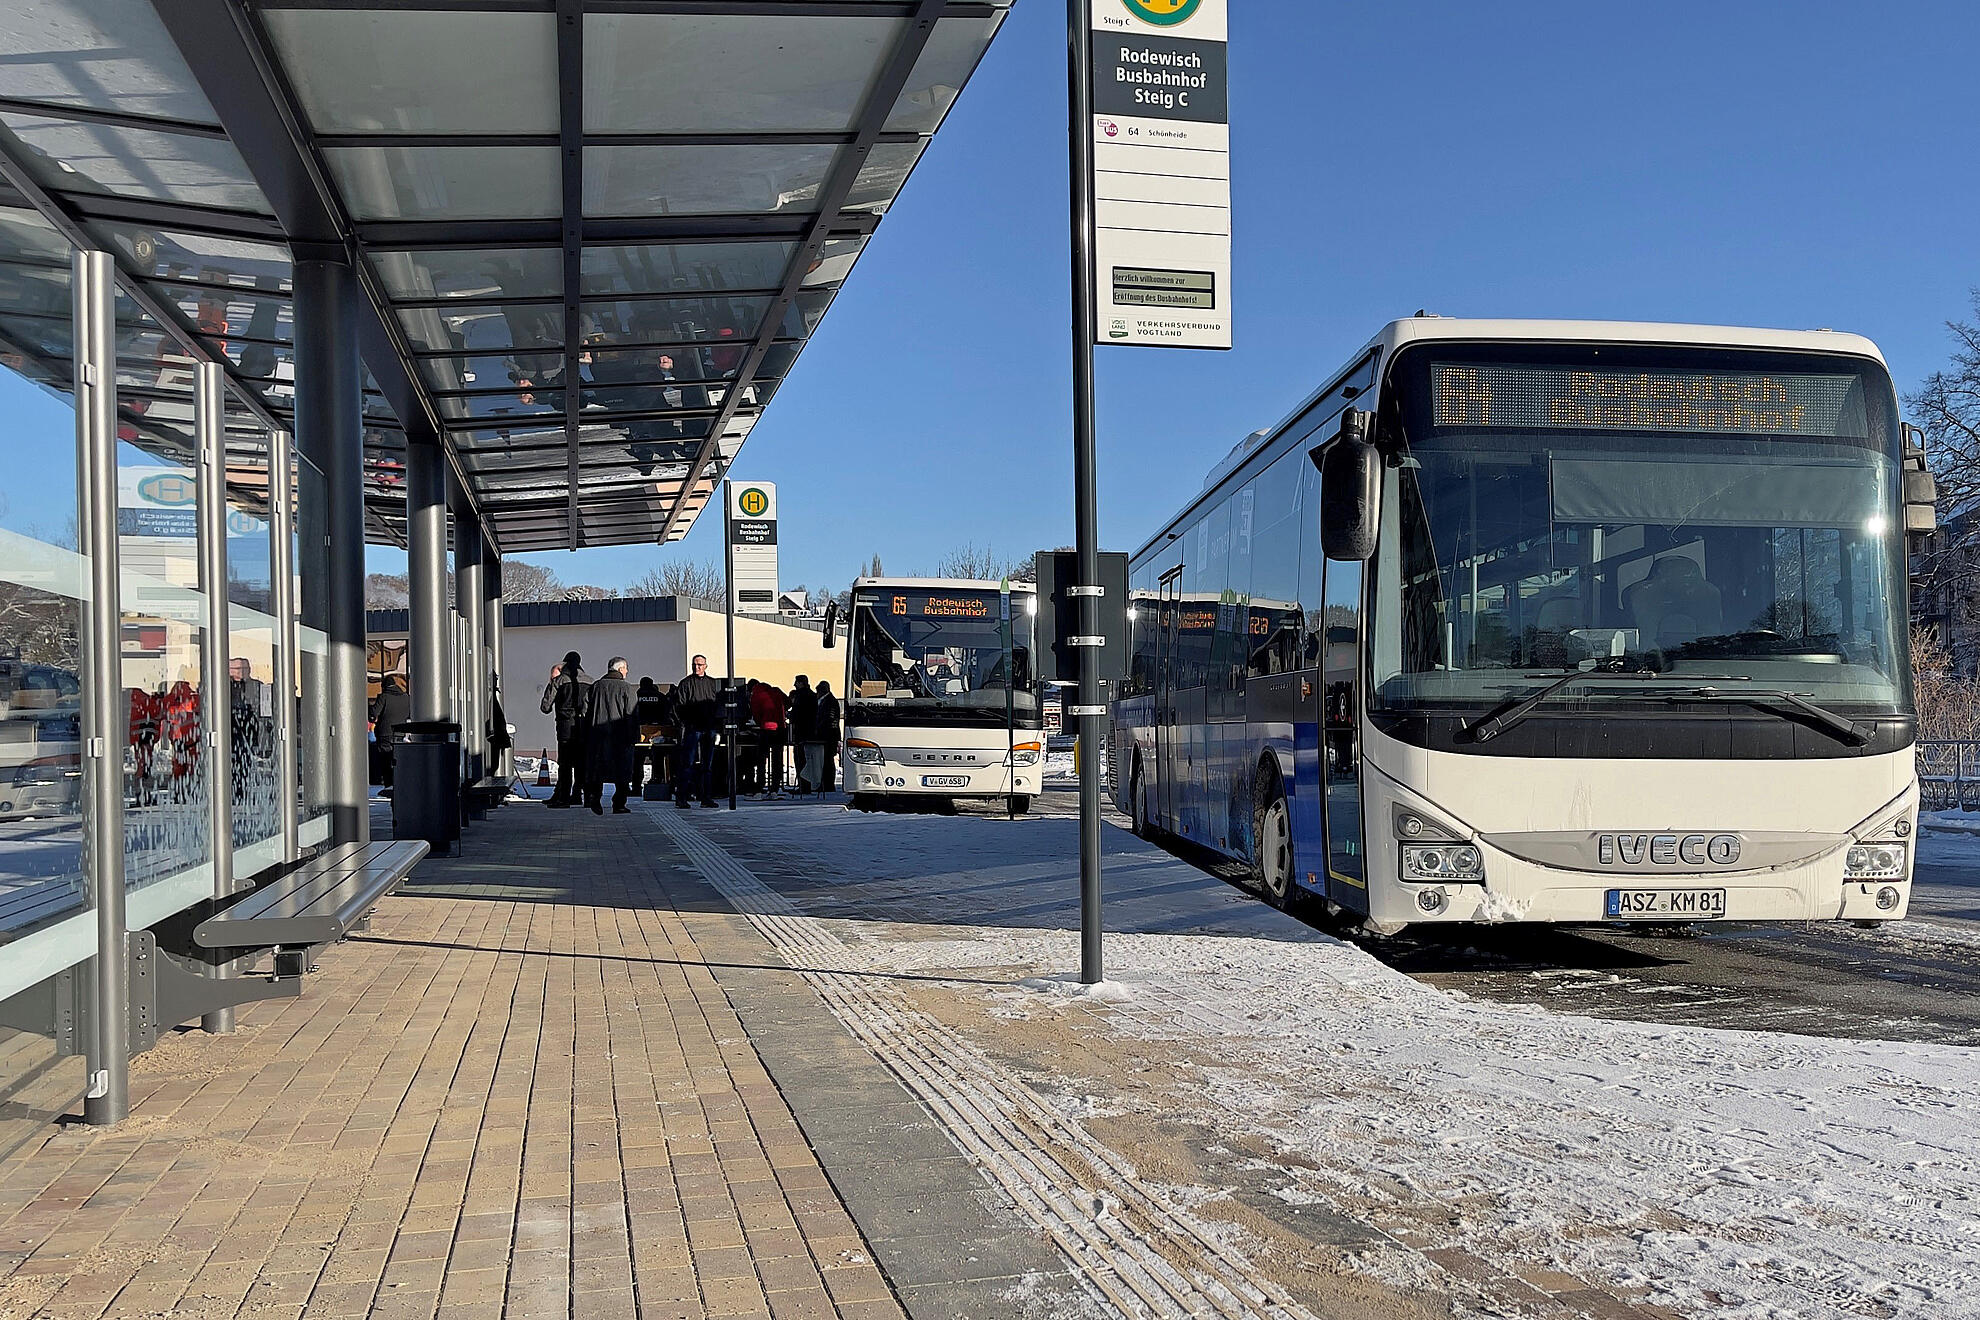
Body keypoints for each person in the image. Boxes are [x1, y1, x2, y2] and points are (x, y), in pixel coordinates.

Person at [583, 657, 639, 815]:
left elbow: (584, 710)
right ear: (620, 669)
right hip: (621, 738)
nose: (627, 671)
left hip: (597, 737)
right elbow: (632, 714)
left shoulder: (596, 687)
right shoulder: (627, 688)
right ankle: (619, 804)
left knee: (598, 770)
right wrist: (634, 737)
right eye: (626, 668)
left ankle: (596, 799)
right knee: (622, 772)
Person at [540, 652, 591, 808]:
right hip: (584, 727)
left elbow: (545, 707)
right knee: (582, 763)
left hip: (565, 727)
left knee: (565, 763)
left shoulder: (559, 681)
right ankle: (578, 795)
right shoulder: (590, 682)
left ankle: (563, 797)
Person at [672, 654, 722, 808]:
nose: (697, 667)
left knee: (707, 765)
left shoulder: (713, 684)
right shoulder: (686, 684)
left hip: (709, 729)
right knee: (687, 764)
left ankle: (705, 798)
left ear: (705, 666)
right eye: (694, 664)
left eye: (700, 664)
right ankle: (682, 797)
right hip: (693, 729)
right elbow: (678, 706)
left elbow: (718, 705)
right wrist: (685, 723)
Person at [369, 673, 412, 787]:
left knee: (385, 761)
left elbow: (373, 713)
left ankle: (389, 785)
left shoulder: (384, 697)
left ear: (384, 686)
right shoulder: (406, 698)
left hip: (385, 733)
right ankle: (399, 783)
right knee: (397, 759)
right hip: (400, 733)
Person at [751, 679, 789, 796]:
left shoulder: (756, 695)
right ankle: (774, 788)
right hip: (780, 729)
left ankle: (760, 786)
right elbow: (788, 702)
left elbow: (755, 712)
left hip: (766, 729)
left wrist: (759, 722)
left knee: (762, 759)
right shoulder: (776, 691)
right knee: (777, 760)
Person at [788, 674, 817, 794]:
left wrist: (789, 715)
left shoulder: (801, 696)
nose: (794, 685)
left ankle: (803, 786)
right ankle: (806, 785)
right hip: (810, 733)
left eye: (796, 682)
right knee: (807, 761)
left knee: (800, 760)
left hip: (801, 733)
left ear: (801, 683)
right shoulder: (812, 695)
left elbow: (797, 714)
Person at [813, 680, 841, 795]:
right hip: (828, 735)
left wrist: (819, 728)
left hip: (829, 735)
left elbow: (829, 719)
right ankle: (826, 783)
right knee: (826, 760)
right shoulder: (826, 701)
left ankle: (828, 784)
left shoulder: (829, 702)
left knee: (828, 760)